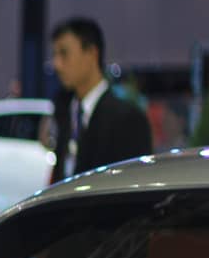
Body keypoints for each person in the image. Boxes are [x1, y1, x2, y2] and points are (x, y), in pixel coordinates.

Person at [49, 17, 152, 184]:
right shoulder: (67, 113)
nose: (57, 64)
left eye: (64, 54)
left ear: (91, 53)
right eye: (55, 55)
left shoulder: (127, 119)